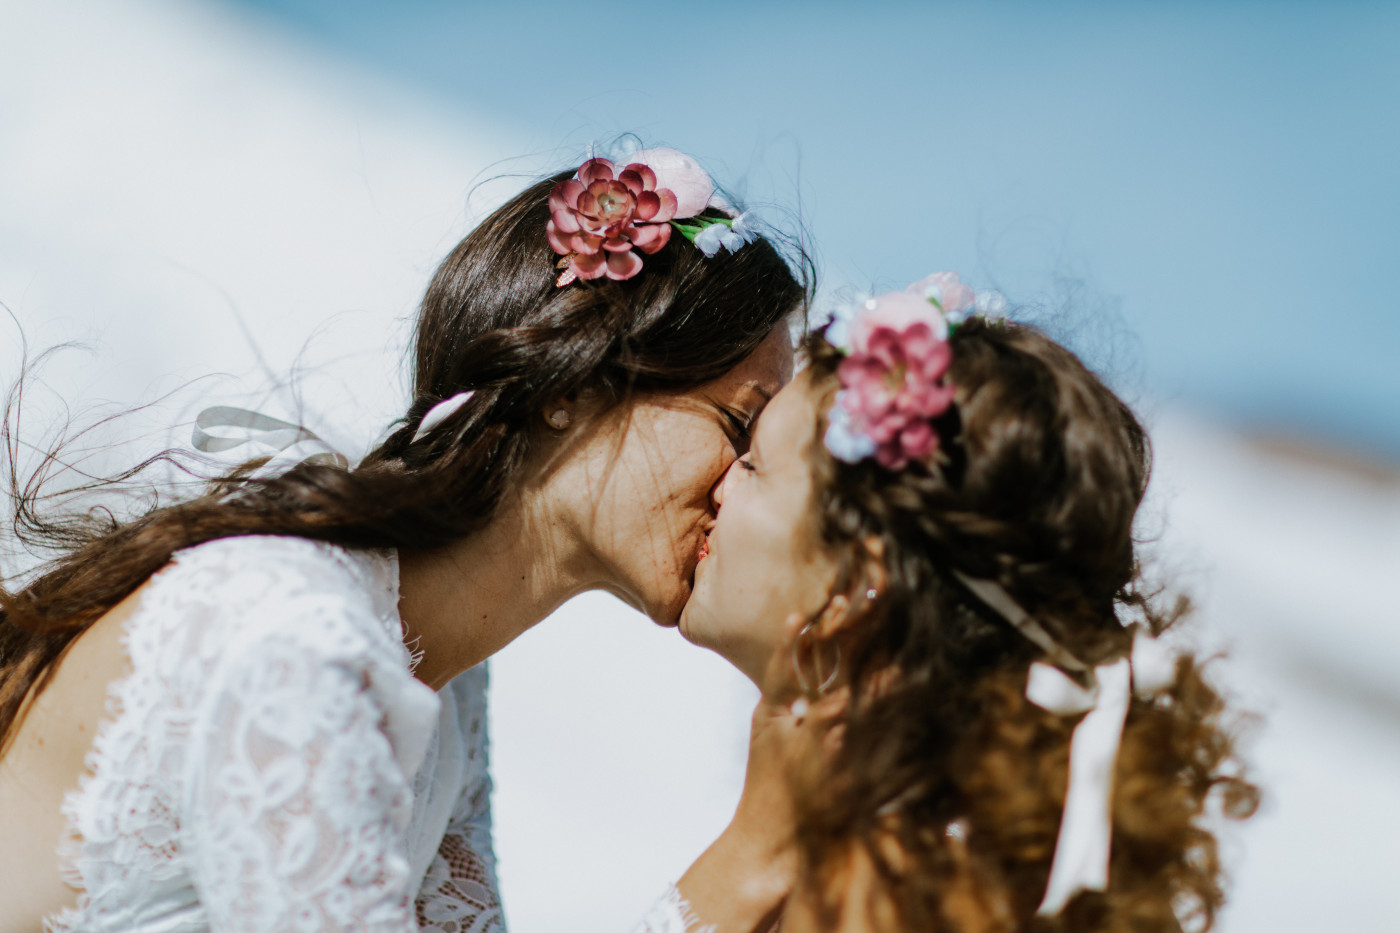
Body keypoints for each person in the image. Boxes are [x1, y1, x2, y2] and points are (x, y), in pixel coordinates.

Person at [0, 147, 811, 933]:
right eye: (740, 426)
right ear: (572, 383)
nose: (746, 482)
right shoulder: (298, 635)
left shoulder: (442, 682)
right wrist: (752, 856)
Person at [679, 274, 1259, 932]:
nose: (720, 487)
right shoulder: (964, 836)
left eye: (755, 465)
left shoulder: (885, 876)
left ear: (857, 580)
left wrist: (747, 859)